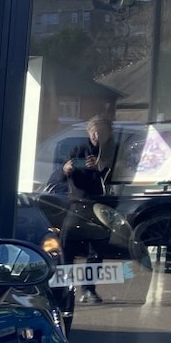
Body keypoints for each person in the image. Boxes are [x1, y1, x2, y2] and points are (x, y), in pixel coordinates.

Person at [50, 115, 122, 304]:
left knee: (96, 251)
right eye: (94, 132)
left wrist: (101, 168)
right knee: (67, 246)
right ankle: (65, 288)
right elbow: (59, 178)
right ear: (89, 132)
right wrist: (65, 170)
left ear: (109, 133)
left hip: (102, 205)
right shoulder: (78, 150)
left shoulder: (114, 152)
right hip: (78, 204)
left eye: (101, 133)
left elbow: (120, 176)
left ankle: (89, 290)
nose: (97, 136)